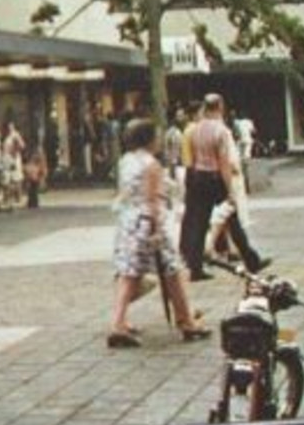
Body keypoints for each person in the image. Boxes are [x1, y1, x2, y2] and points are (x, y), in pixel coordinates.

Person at [107, 119, 210, 348]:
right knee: (173, 271)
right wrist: (155, 228)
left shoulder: (126, 161)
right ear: (149, 139)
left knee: (129, 274)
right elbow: (152, 198)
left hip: (128, 221)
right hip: (150, 222)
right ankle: (186, 321)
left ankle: (118, 322)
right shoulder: (151, 164)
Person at [181, 94, 268, 280]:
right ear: (220, 106)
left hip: (199, 176)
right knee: (232, 218)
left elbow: (195, 157)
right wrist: (230, 189)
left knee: (199, 222)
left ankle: (194, 266)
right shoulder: (220, 130)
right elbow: (223, 162)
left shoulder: (196, 129)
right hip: (215, 177)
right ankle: (251, 259)